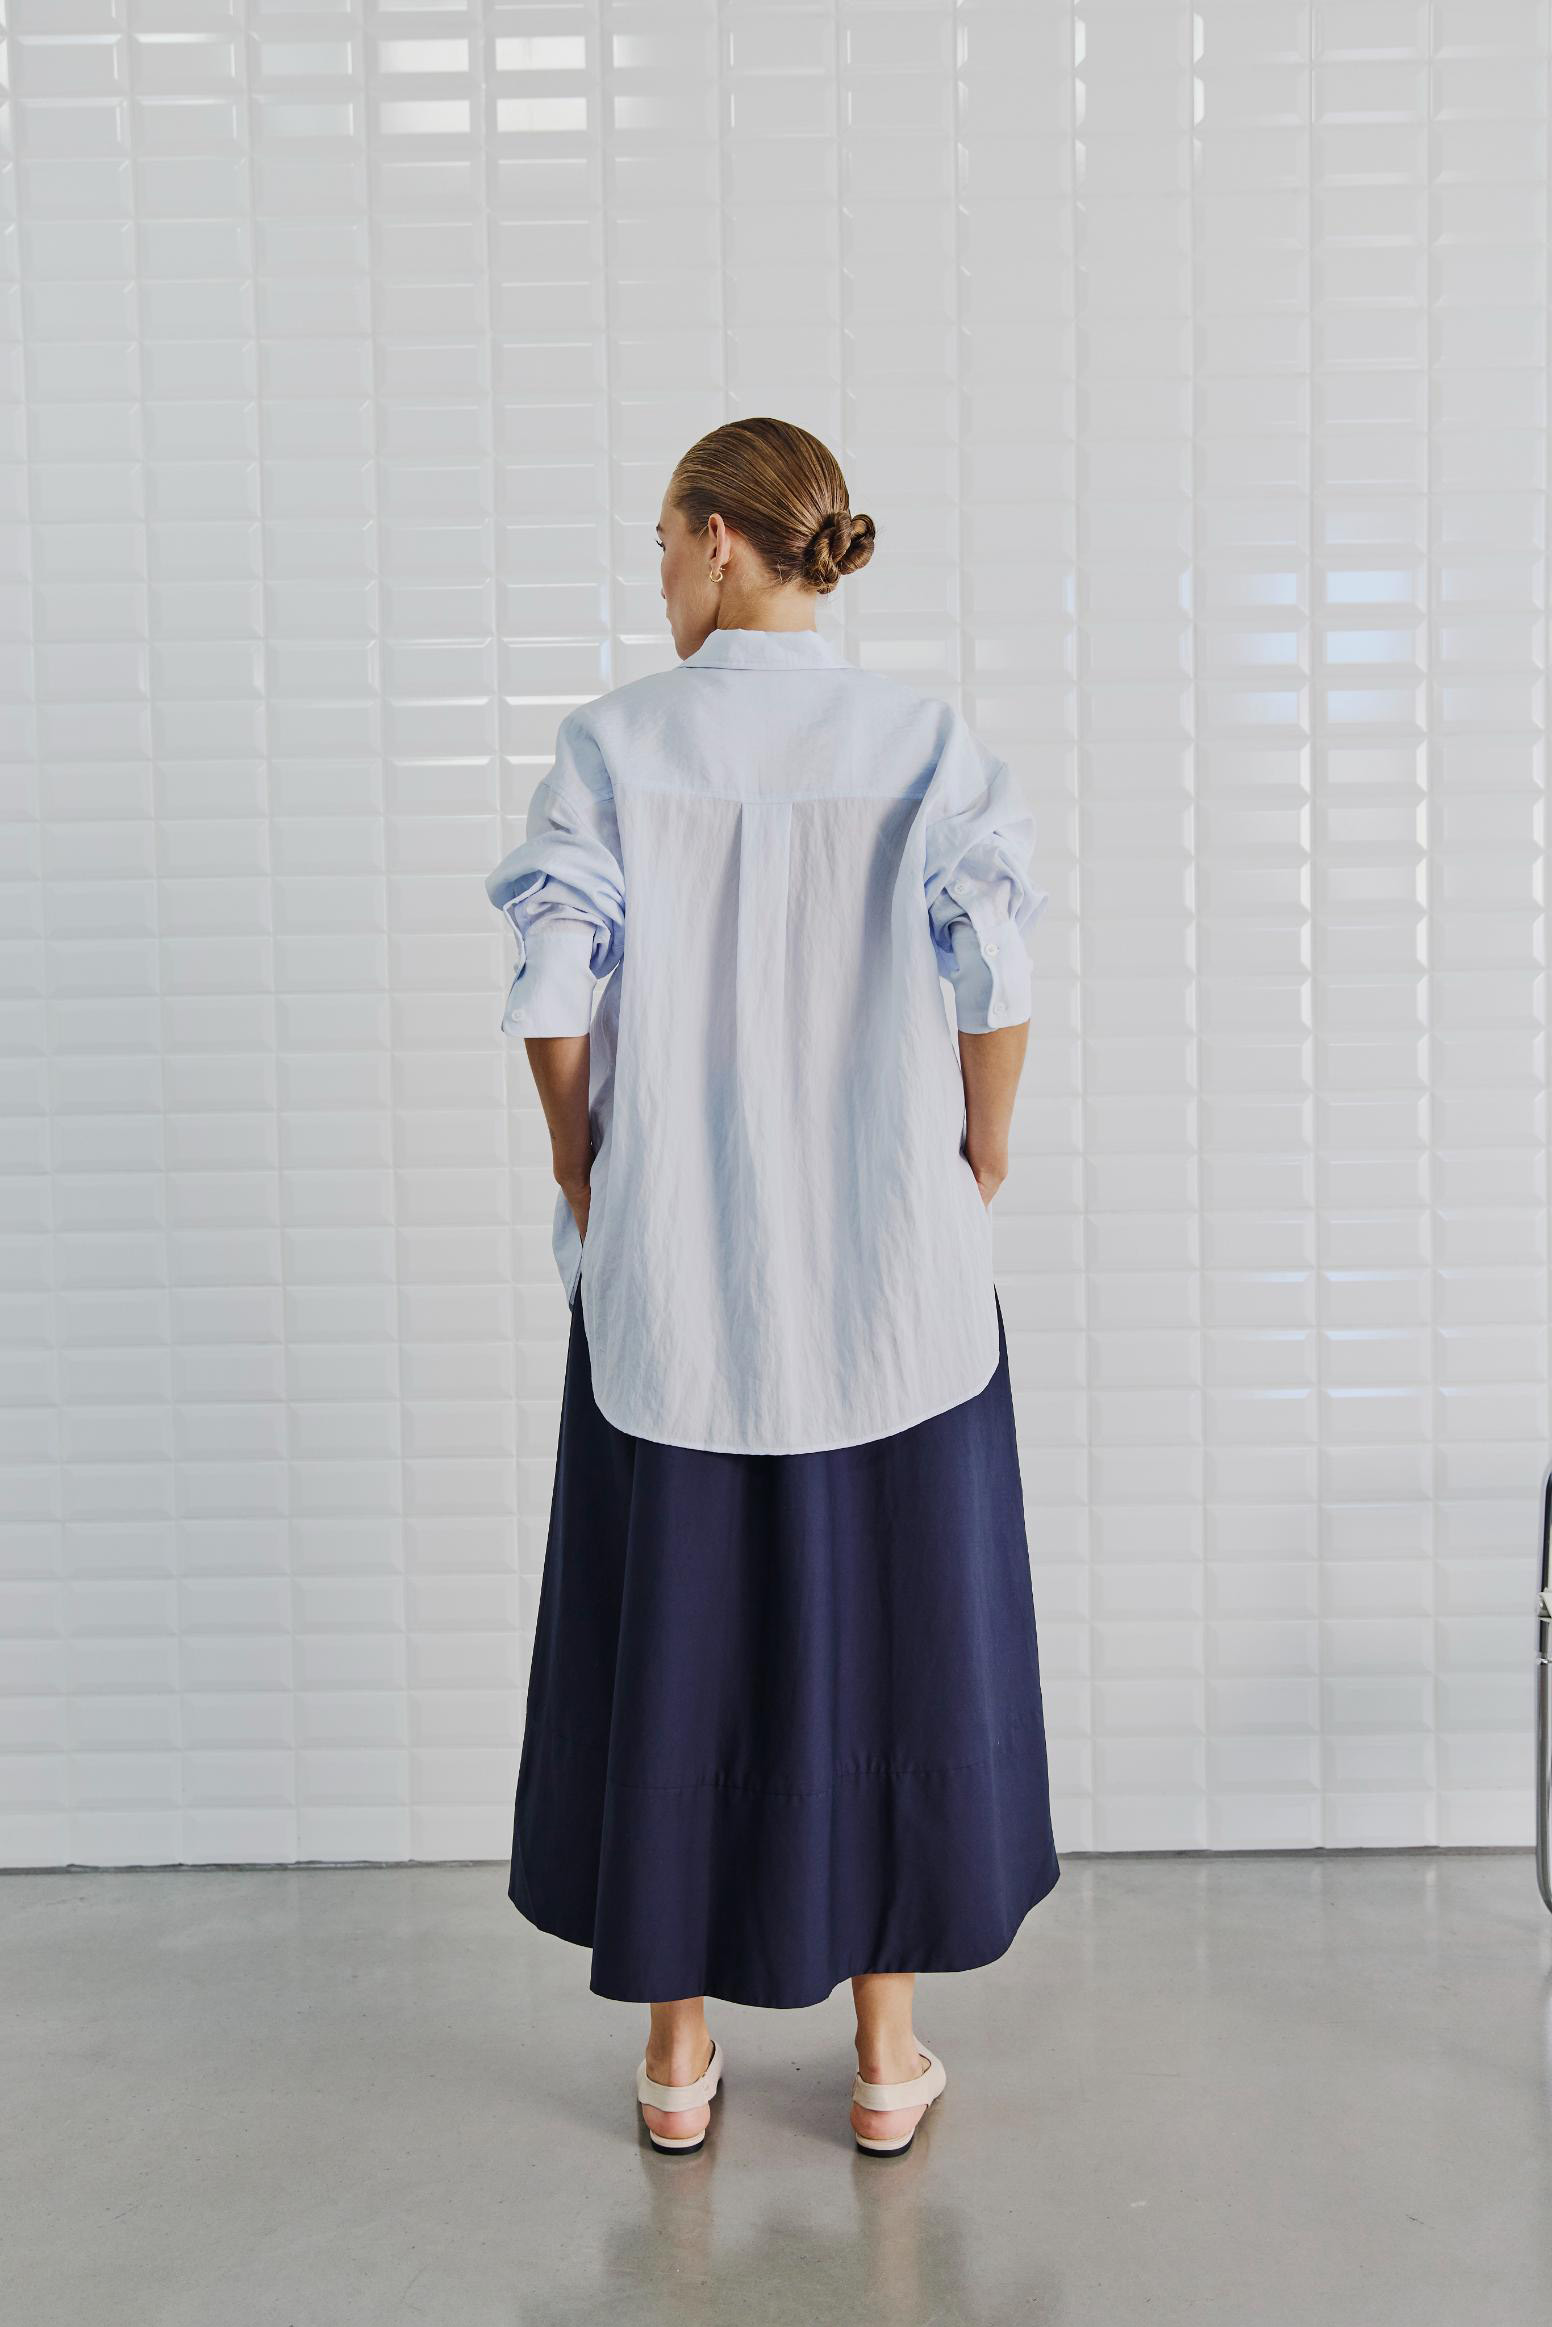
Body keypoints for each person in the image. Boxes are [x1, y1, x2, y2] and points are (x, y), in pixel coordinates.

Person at [486, 416, 1059, 2160]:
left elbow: (554, 993)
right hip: (893, 1286)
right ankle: (886, 2059)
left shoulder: (614, 744)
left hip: (677, 1286)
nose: (659, 573)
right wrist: (981, 1153)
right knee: (899, 1641)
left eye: (663, 541)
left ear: (723, 539)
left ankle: (678, 2060)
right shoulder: (922, 741)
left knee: (676, 1643)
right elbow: (999, 969)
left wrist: (583, 1169)